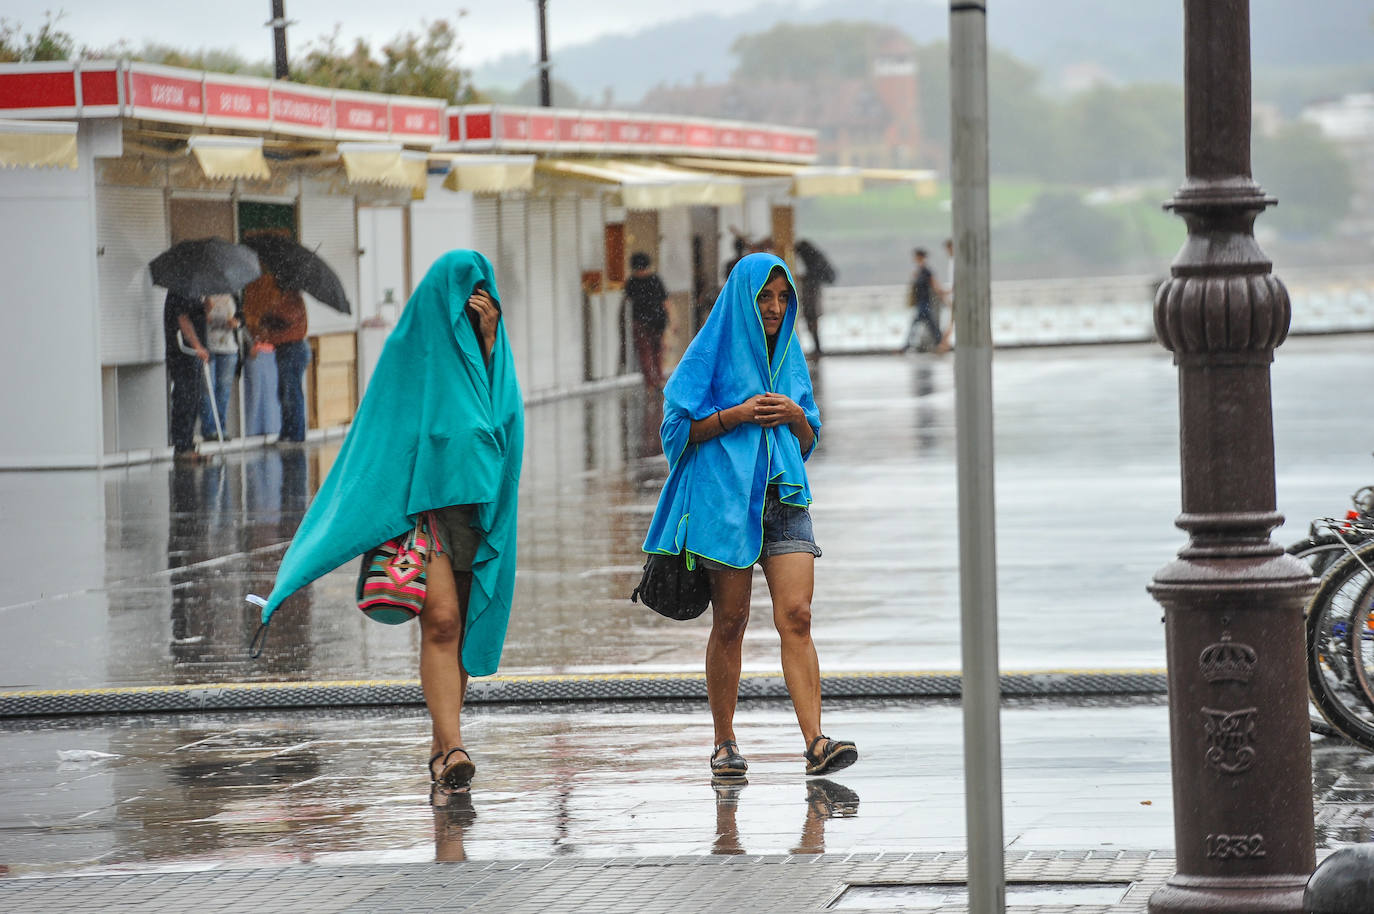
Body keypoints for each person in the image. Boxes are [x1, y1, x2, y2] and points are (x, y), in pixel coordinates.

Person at [248, 250, 525, 795]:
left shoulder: (493, 356)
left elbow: (503, 430)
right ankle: (457, 747)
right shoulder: (409, 351)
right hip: (422, 517)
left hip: (476, 513)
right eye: (464, 294)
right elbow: (378, 438)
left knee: (462, 633)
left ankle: (442, 749)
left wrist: (490, 344)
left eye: (483, 293)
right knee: (442, 621)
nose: (474, 304)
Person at [643, 252, 858, 779]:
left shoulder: (788, 354)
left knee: (798, 616)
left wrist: (794, 416)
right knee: (732, 622)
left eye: (784, 298)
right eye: (765, 297)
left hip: (783, 499)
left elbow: (807, 437)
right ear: (742, 296)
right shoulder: (709, 350)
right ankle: (724, 742)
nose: (776, 308)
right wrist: (734, 416)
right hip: (725, 504)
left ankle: (816, 742)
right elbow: (675, 432)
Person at [243, 271, 310, 442]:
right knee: (284, 392)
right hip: (285, 350)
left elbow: (283, 320)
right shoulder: (286, 300)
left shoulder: (291, 301)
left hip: (292, 349)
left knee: (291, 393)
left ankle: (296, 434)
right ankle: (287, 431)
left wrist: (268, 317)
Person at [163, 290, 210, 461]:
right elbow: (183, 320)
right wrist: (197, 346)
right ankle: (182, 444)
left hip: (193, 354)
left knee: (194, 398)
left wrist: (206, 305)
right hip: (184, 352)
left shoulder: (195, 293)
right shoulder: (180, 292)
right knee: (185, 397)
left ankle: (188, 442)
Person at [624, 251, 668, 389]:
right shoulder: (655, 279)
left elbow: (628, 300)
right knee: (655, 351)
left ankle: (652, 381)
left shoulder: (631, 282)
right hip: (656, 320)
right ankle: (657, 380)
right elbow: (665, 301)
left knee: (647, 352)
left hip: (644, 322)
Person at [200, 294, 240, 440]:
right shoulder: (203, 296)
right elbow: (199, 319)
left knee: (223, 391)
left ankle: (220, 428)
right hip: (208, 347)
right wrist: (205, 309)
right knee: (207, 390)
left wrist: (236, 323)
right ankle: (209, 429)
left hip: (228, 349)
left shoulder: (232, 296)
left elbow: (240, 319)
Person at [794, 239, 836, 357]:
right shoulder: (816, 258)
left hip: (811, 294)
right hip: (813, 294)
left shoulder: (812, 261)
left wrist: (804, 278)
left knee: (811, 320)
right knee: (812, 320)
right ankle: (817, 348)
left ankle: (817, 349)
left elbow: (812, 275)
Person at [904, 247, 948, 353]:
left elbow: (935, 286)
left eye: (917, 257)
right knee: (930, 326)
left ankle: (906, 346)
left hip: (925, 303)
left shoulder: (926, 271)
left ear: (921, 257)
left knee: (920, 324)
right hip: (921, 303)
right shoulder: (919, 271)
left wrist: (944, 295)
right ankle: (940, 343)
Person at [936, 238, 955, 354]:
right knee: (952, 321)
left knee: (952, 321)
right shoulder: (952, 261)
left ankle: (943, 344)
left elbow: (957, 280)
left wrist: (948, 291)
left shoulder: (956, 261)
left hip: (957, 297)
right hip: (955, 297)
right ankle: (944, 344)